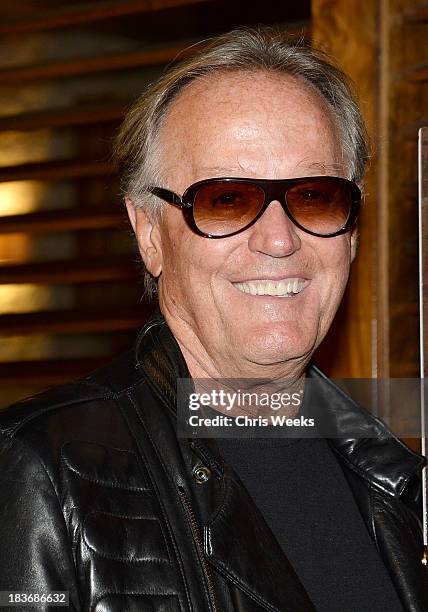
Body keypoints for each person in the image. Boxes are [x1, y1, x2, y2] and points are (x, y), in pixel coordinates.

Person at [0, 27, 426, 612]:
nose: (279, 239)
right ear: (149, 233)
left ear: (351, 232)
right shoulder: (43, 469)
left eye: (314, 197)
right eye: (226, 199)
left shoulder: (393, 477)